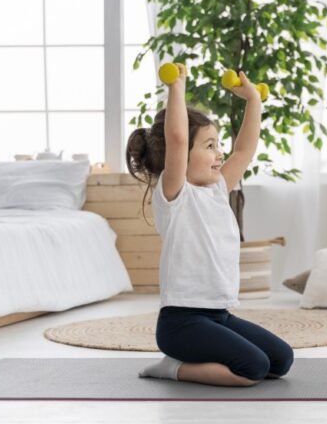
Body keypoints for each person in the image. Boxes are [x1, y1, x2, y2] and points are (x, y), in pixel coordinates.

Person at [126, 64, 293, 386]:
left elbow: (245, 149)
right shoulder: (175, 194)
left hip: (219, 315)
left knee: (281, 361)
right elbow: (176, 140)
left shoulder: (217, 190)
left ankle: (200, 353)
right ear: (181, 157)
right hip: (181, 323)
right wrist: (177, 87)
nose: (220, 153)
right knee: (252, 370)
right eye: (209, 146)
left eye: (218, 144)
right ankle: (170, 367)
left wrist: (254, 100)